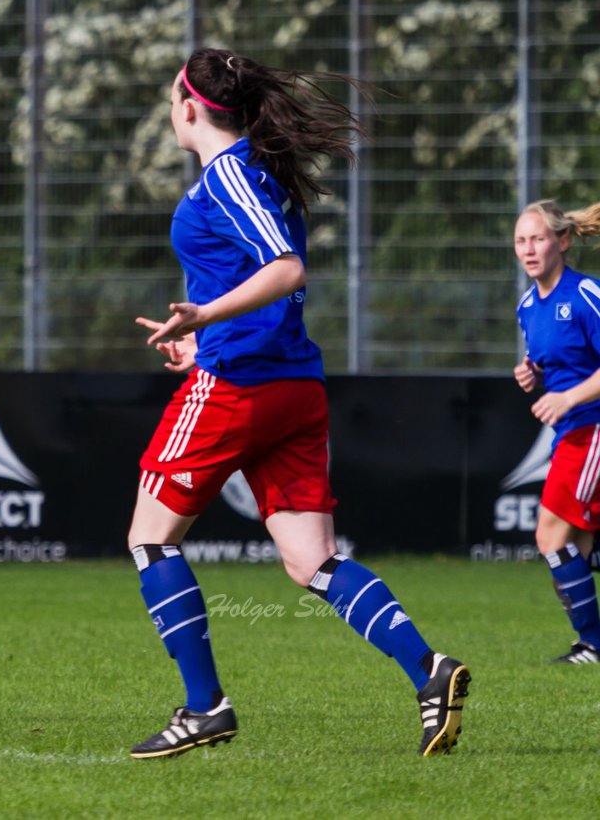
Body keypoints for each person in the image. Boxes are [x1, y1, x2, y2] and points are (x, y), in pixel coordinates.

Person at [126, 48, 470, 759]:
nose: (169, 111)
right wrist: (203, 335)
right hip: (288, 385)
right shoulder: (246, 171)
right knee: (312, 561)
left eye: (169, 99)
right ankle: (430, 671)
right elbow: (260, 274)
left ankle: (204, 707)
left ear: (190, 108)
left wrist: (202, 320)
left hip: (241, 387)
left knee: (149, 539)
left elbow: (286, 267)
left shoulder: (229, 174)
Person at [512, 198, 600, 664]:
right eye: (521, 241)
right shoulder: (528, 306)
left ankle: (594, 645)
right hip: (573, 432)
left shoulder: (586, 294)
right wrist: (531, 372)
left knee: (551, 538)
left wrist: (568, 398)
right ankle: (590, 644)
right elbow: (555, 362)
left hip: (593, 428)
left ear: (562, 242)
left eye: (538, 239)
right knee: (572, 551)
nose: (529, 250)